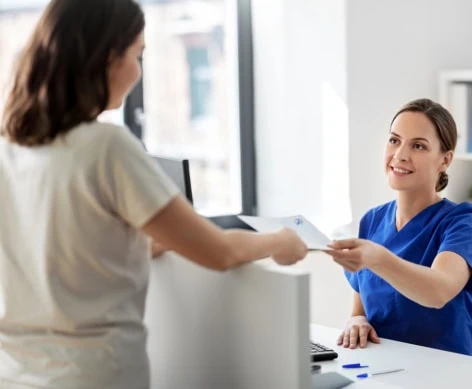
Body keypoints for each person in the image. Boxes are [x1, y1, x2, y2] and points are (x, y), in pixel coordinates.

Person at [0, 1, 308, 388]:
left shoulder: (10, 149)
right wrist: (279, 242)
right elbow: (219, 253)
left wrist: (147, 244)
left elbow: (65, 248)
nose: (137, 71)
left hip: (15, 373)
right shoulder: (105, 145)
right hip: (92, 375)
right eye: (137, 54)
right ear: (108, 59)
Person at [324, 98, 472, 358]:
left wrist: (378, 258)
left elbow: (438, 291)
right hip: (385, 368)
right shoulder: (373, 220)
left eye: (418, 146)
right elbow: (359, 310)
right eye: (394, 140)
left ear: (444, 160)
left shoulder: (464, 222)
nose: (400, 154)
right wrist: (356, 321)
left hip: (450, 375)